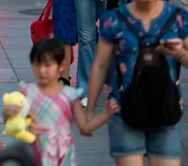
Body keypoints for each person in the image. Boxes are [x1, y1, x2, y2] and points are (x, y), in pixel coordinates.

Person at [87, 0, 188, 164]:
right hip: (124, 108)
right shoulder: (114, 20)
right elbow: (100, 65)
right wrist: (90, 110)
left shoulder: (178, 17)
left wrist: (179, 54)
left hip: (165, 107)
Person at [7, 38, 117, 166]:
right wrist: (10, 111)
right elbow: (10, 119)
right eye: (37, 64)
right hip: (37, 156)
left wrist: (105, 115)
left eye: (48, 65)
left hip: (63, 158)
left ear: (61, 66)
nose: (42, 70)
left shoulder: (69, 96)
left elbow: (85, 128)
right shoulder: (28, 92)